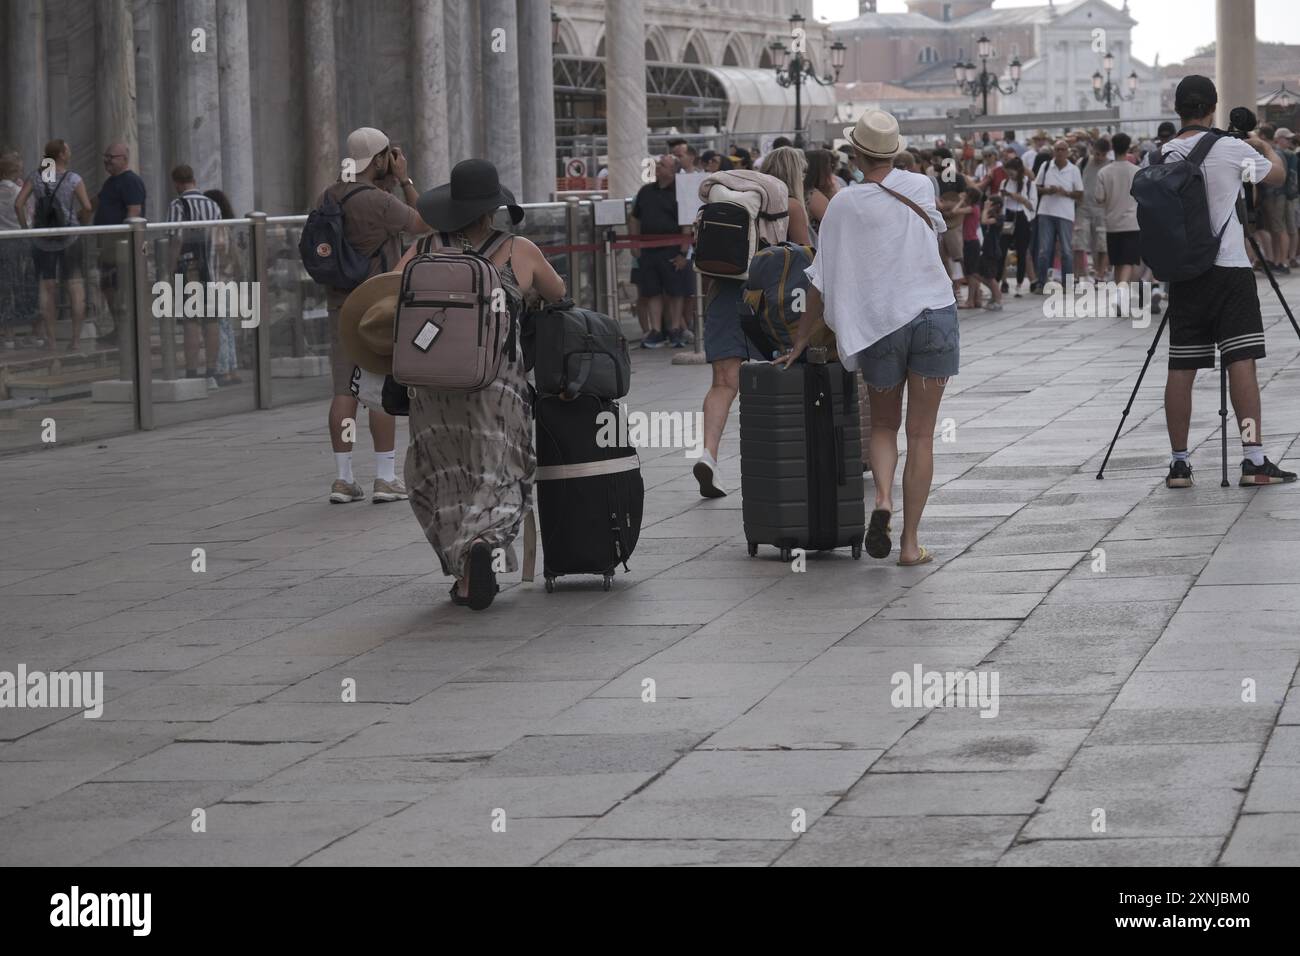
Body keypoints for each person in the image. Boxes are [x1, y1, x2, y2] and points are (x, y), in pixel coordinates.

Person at [778, 109, 957, 567]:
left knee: (882, 426)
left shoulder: (843, 204)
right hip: (934, 315)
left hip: (882, 325)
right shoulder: (920, 186)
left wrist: (801, 339)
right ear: (894, 151)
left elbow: (818, 279)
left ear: (855, 154)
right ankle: (911, 545)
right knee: (921, 437)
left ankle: (882, 500)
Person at [395, 158, 565, 609]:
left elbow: (387, 294)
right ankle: (482, 542)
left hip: (430, 390)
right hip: (496, 388)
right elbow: (559, 294)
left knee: (442, 475)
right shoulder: (518, 250)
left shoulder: (424, 249)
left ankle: (464, 570)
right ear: (493, 209)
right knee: (500, 472)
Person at [1159, 75, 1294, 489]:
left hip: (1186, 274)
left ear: (1178, 109)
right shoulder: (1232, 148)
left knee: (1181, 366)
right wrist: (1264, 145)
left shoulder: (1165, 152)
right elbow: (1276, 177)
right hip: (1230, 269)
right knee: (1241, 362)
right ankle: (1253, 460)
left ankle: (1180, 464)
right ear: (1212, 107)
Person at [318, 126, 429, 504]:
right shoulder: (378, 202)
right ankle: (385, 476)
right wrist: (405, 178)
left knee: (343, 391)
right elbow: (425, 222)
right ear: (380, 159)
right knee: (379, 388)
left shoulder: (330, 194)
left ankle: (343, 477)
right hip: (375, 305)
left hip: (339, 304)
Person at [692, 150, 809, 497]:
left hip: (724, 296)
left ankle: (709, 455)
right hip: (769, 301)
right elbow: (804, 259)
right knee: (781, 377)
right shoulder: (791, 205)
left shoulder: (728, 198)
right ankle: (783, 458)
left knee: (723, 383)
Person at [15, 139, 93, 352]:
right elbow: (87, 207)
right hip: (70, 238)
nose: (70, 152)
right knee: (75, 289)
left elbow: (18, 203)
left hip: (43, 240)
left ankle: (50, 340)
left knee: (46, 288)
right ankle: (75, 341)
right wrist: (80, 222)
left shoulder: (36, 176)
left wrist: (26, 230)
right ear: (61, 155)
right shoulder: (73, 178)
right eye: (67, 149)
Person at [166, 165, 224, 384]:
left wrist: (168, 270)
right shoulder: (213, 205)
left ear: (178, 183)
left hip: (188, 271)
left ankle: (192, 371)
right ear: (193, 179)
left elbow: (175, 240)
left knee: (191, 321)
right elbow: (219, 240)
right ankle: (211, 372)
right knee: (212, 321)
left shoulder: (177, 205)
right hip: (212, 270)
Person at [629, 154, 692, 348]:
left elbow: (687, 223)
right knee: (652, 290)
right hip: (649, 249)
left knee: (676, 291)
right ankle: (656, 330)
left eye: (662, 165)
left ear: (673, 171)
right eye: (657, 164)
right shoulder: (646, 191)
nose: (657, 168)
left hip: (672, 248)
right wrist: (635, 243)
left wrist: (683, 252)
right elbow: (635, 218)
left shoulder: (680, 192)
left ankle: (674, 328)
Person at [93, 142, 146, 346]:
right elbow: (97, 201)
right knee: (108, 285)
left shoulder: (130, 181)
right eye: (105, 156)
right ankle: (120, 328)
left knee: (121, 287)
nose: (106, 160)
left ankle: (128, 330)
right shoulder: (110, 182)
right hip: (109, 245)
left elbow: (134, 211)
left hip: (121, 245)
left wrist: (124, 242)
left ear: (124, 159)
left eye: (111, 156)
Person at [1094, 132, 1142, 302]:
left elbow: (1099, 198)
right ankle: (1123, 290)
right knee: (1129, 261)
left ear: (1112, 148)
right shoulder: (1137, 171)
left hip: (1112, 223)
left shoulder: (1104, 172)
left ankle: (1119, 293)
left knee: (1117, 261)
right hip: (1132, 222)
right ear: (1128, 147)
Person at [1031, 140, 1083, 292]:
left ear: (1067, 151)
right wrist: (1048, 191)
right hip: (1046, 212)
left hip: (1065, 213)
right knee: (1043, 250)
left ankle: (1067, 283)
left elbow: (1080, 193)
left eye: (1062, 149)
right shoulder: (1046, 166)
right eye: (1057, 149)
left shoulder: (1073, 170)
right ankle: (1041, 282)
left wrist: (1064, 192)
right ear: (1054, 151)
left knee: (1066, 250)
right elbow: (1037, 187)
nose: (1060, 152)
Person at [203, 188, 243, 385]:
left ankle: (224, 369)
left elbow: (218, 253)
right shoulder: (227, 227)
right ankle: (233, 368)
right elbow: (235, 256)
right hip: (229, 280)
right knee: (227, 326)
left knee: (220, 326)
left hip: (218, 280)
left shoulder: (215, 227)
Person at [1254, 125, 1291, 274]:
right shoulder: (1275, 152)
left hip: (1276, 195)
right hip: (1272, 196)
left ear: (1262, 136)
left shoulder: (1275, 153)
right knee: (1275, 230)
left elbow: (1280, 176)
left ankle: (1282, 262)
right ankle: (1277, 261)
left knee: (1279, 229)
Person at [1074, 136, 1110, 280]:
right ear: (1092, 150)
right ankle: (1078, 274)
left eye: (1102, 154)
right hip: (1083, 208)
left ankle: (1100, 274)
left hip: (1102, 210)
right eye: (1097, 153)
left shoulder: (1109, 166)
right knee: (1079, 243)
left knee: (1102, 245)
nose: (1099, 157)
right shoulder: (1082, 163)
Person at [1001, 156, 1037, 294]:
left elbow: (1033, 206)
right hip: (1008, 217)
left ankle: (1020, 283)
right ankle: (1002, 281)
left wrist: (1020, 198)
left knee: (1022, 252)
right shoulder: (1005, 183)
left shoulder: (1029, 184)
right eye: (1008, 173)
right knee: (1002, 250)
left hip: (1022, 218)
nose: (1010, 176)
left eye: (1012, 173)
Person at [1276, 128, 1300, 269]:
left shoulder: (1289, 154)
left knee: (1290, 227)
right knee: (1289, 227)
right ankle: (1289, 257)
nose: (1289, 141)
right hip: (1288, 194)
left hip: (1288, 195)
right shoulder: (1290, 154)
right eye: (1287, 138)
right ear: (1279, 138)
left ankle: (1290, 257)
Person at [977, 193, 1004, 310]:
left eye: (990, 204)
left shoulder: (1000, 217)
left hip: (993, 250)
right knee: (982, 274)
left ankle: (998, 299)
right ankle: (995, 295)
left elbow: (984, 221)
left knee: (991, 277)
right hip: (986, 249)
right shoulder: (990, 215)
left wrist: (986, 209)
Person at [803, 148, 839, 236]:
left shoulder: (806, 191)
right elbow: (838, 224)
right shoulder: (813, 196)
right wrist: (835, 195)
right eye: (830, 165)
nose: (832, 168)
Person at [959, 186, 983, 308]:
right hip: (971, 242)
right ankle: (977, 298)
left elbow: (954, 211)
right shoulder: (976, 208)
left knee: (971, 273)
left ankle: (970, 300)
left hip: (971, 242)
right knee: (970, 272)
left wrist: (961, 201)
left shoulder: (972, 208)